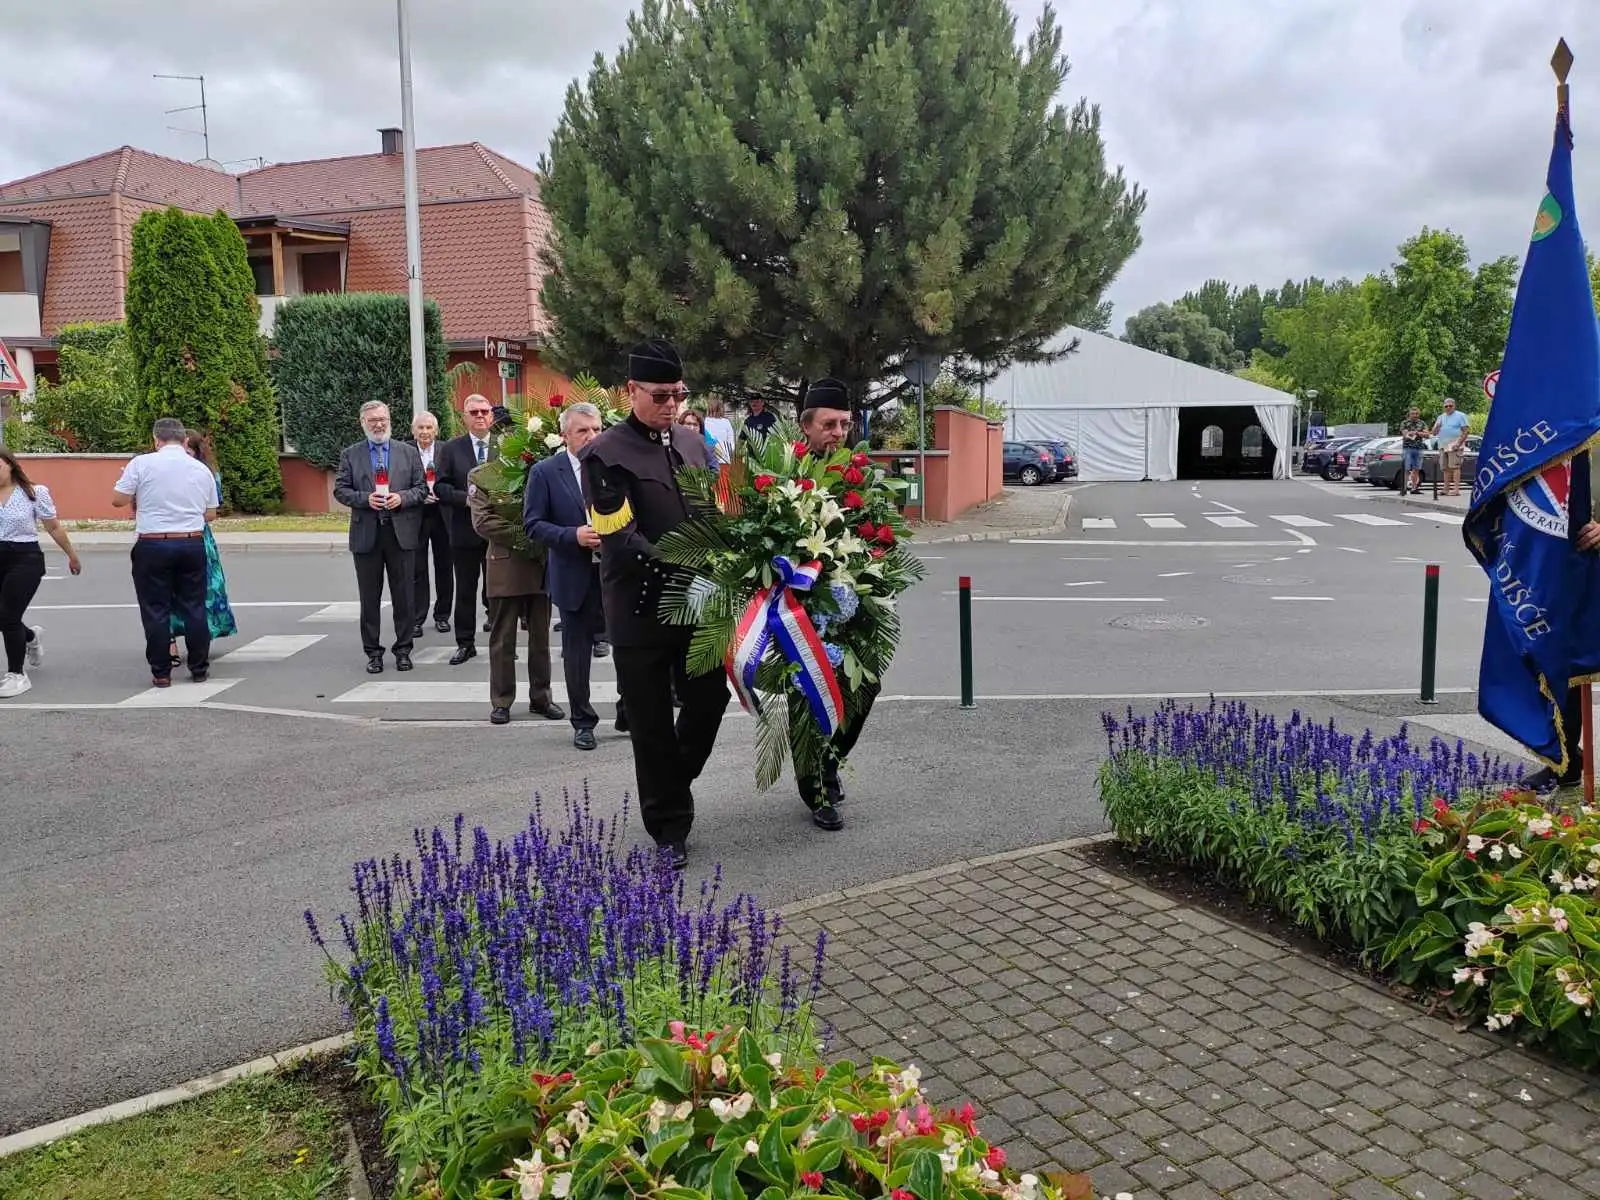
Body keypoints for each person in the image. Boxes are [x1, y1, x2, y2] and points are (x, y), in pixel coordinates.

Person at [583, 339, 729, 869]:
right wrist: (690, 567)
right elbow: (621, 538)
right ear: (631, 391)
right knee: (648, 722)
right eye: (661, 395)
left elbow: (716, 510)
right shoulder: (604, 454)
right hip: (640, 608)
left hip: (700, 608)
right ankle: (669, 825)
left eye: (678, 394)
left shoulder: (693, 444)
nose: (671, 404)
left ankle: (671, 784)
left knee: (710, 701)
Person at [792, 377, 874, 831]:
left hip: (850, 603)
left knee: (865, 686)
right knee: (806, 696)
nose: (838, 432)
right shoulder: (788, 469)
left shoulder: (853, 470)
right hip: (798, 610)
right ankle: (816, 790)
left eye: (844, 424)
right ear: (807, 425)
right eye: (829, 424)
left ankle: (831, 761)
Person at [525, 401, 631, 749]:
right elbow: (533, 524)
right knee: (577, 653)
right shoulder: (545, 472)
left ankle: (627, 709)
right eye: (582, 430)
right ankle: (583, 721)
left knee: (627, 647)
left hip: (617, 575)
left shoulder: (616, 466)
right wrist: (573, 536)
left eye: (597, 429)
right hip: (574, 575)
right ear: (564, 435)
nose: (591, 436)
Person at [112, 417, 218, 687]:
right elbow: (211, 513)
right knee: (194, 606)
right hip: (191, 542)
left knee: (155, 609)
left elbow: (118, 500)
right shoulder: (200, 469)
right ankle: (199, 668)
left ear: (156, 440)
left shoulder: (141, 463)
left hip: (153, 542)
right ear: (184, 440)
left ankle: (161, 672)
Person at [468, 460, 565, 727]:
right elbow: (483, 521)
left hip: (539, 563)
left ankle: (541, 697)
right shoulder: (484, 475)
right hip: (505, 563)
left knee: (540, 638)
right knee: (503, 638)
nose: (510, 435)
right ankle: (501, 700)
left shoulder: (541, 467)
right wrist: (527, 537)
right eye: (505, 430)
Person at [333, 401, 428, 674]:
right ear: (363, 423)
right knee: (370, 598)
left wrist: (402, 497)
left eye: (383, 419)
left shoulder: (407, 453)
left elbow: (421, 488)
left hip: (401, 534)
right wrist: (365, 499)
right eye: (373, 420)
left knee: (404, 597)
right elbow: (341, 490)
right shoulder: (351, 454)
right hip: (367, 535)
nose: (379, 424)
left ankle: (403, 650)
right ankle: (373, 652)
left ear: (390, 420)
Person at [0, 449, 81, 698]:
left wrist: (72, 555)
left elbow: (53, 526)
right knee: (3, 616)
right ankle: (32, 636)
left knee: (8, 617)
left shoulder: (34, 493)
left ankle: (17, 675)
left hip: (24, 559)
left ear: (10, 465)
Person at [434, 394, 497, 661]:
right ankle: (465, 642)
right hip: (464, 530)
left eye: (484, 411)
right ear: (465, 417)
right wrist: (467, 499)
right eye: (474, 412)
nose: (480, 416)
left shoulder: (505, 445)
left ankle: (500, 641)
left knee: (497, 589)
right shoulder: (451, 448)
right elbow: (440, 486)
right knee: (466, 589)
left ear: (492, 416)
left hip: (497, 530)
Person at [167, 431, 237, 668]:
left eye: (188, 452)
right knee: (167, 591)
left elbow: (211, 514)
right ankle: (170, 643)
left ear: (197, 454)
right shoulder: (164, 473)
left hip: (198, 536)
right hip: (166, 535)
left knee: (205, 590)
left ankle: (199, 641)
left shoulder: (205, 474)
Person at [410, 411, 453, 637]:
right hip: (416, 515)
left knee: (444, 567)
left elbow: (452, 478)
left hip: (442, 514)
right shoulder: (406, 451)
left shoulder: (447, 450)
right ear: (413, 431)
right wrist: (418, 495)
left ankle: (442, 615)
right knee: (417, 568)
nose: (425, 432)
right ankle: (417, 618)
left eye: (429, 428)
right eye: (420, 428)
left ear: (436, 431)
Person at [1432, 398, 1471, 498]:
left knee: (1455, 467)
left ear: (1454, 406)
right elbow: (1434, 432)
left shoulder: (1460, 415)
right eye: (1446, 406)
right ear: (1444, 407)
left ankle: (1456, 489)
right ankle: (1446, 489)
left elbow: (1466, 431)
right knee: (1445, 468)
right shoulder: (1441, 417)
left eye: (1450, 406)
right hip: (1443, 445)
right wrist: (1437, 427)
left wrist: (1458, 443)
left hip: (1455, 445)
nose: (1448, 407)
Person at [1400, 406, 1428, 495]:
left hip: (1419, 448)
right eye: (1412, 413)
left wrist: (1417, 433)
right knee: (1406, 468)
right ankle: (1403, 488)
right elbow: (1405, 434)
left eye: (1416, 414)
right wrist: (1410, 434)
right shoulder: (1405, 423)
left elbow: (1427, 434)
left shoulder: (1422, 423)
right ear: (1409, 414)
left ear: (1418, 414)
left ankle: (1414, 488)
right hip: (1407, 448)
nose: (1414, 415)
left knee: (1416, 469)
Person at [703, 396, 736, 464]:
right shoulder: (726, 422)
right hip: (724, 461)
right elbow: (731, 444)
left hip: (708, 460)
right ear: (721, 408)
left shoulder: (703, 422)